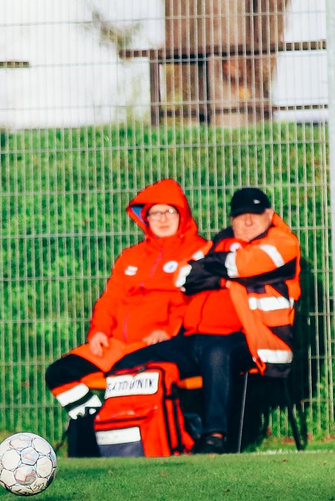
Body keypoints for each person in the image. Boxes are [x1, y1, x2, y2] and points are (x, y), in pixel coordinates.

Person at [112, 187, 301, 454]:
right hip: (196, 338)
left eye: (255, 214)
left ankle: (214, 437)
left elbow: (244, 265)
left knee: (216, 353)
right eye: (241, 215)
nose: (248, 221)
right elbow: (182, 276)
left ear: (269, 214)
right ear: (232, 220)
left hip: (257, 341)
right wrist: (224, 275)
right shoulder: (219, 242)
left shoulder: (283, 242)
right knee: (129, 362)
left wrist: (213, 270)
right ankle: (129, 437)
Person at [44, 179, 207, 455]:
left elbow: (195, 302)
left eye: (170, 211)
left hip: (154, 346)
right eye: (155, 213)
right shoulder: (131, 256)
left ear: (183, 214)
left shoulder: (198, 251)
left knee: (130, 382)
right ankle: (98, 428)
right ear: (145, 218)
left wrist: (169, 332)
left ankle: (132, 443)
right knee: (60, 373)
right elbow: (110, 299)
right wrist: (99, 331)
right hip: (115, 345)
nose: (163, 219)